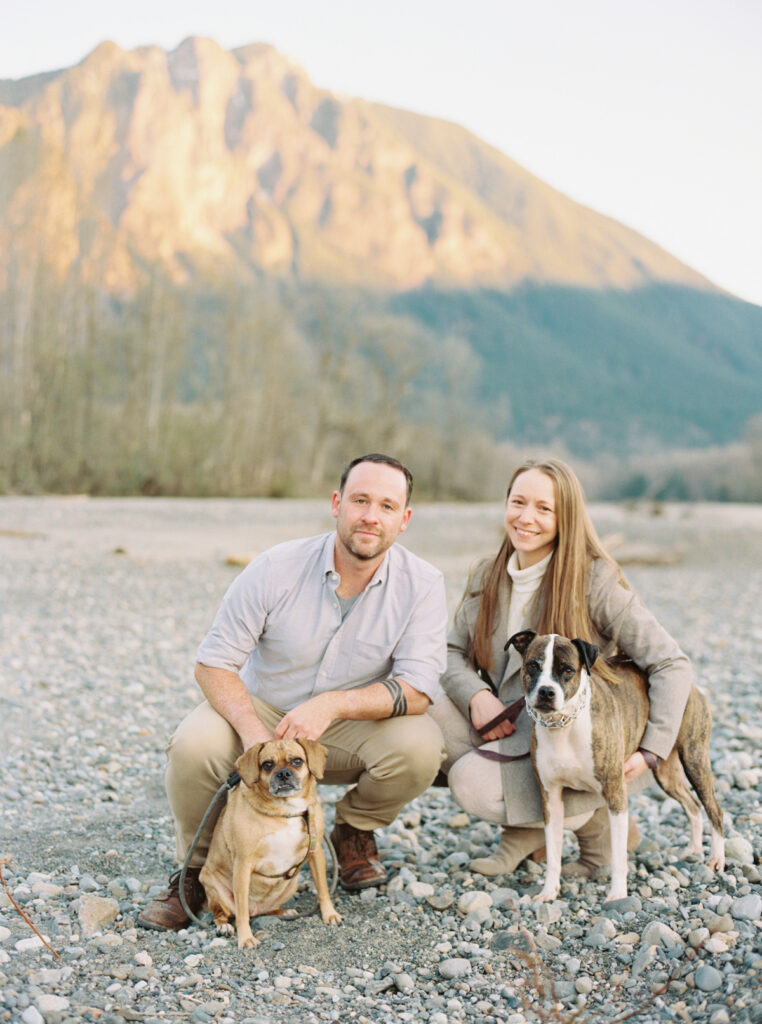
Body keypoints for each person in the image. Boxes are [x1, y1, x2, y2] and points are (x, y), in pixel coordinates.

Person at [139, 454, 448, 931]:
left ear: (403, 520)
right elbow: (213, 662)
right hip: (263, 709)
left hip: (348, 723)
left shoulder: (423, 585)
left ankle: (354, 831)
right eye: (360, 500)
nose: (371, 515)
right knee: (193, 745)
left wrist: (334, 704)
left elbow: (420, 688)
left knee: (421, 746)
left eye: (387, 506)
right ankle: (197, 873)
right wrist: (252, 733)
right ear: (336, 503)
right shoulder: (275, 567)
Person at [430, 457, 693, 878]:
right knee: (425, 707)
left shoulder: (594, 578)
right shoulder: (487, 572)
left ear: (566, 516)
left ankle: (591, 827)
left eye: (543, 508)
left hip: (576, 739)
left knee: (471, 784)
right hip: (508, 723)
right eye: (518, 502)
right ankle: (527, 831)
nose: (525, 517)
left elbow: (670, 663)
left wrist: (652, 749)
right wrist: (475, 696)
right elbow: (446, 652)